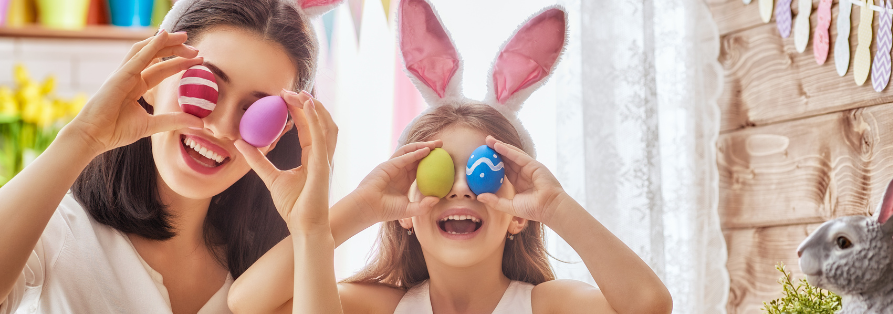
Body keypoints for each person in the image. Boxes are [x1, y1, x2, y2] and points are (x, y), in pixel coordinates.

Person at [228, 0, 673, 313]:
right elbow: (247, 303)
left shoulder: (546, 306)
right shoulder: (380, 306)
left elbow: (649, 305)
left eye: (485, 172)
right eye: (437, 170)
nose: (461, 185)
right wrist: (354, 210)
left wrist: (555, 207)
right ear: (404, 207)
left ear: (520, 215)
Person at [0, 0, 340, 312]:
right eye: (204, 88)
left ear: (277, 136)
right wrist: (84, 137)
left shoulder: (264, 275)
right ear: (152, 77)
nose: (221, 128)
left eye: (255, 111)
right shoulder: (55, 231)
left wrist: (313, 229)